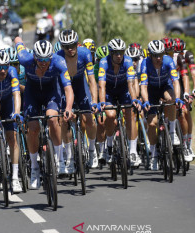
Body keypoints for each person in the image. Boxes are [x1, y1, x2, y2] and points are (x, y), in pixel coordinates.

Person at [15, 37, 74, 188]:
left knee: (53, 118)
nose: (43, 63)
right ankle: (34, 168)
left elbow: (68, 89)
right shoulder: (24, 59)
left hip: (51, 93)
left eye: (46, 59)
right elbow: (18, 42)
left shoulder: (59, 62)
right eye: (40, 59)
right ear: (34, 57)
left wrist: (68, 108)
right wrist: (18, 39)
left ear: (51, 57)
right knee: (33, 128)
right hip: (32, 94)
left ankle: (60, 159)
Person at [56, 29, 99, 171]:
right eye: (66, 46)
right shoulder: (58, 57)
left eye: (73, 45)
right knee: (64, 120)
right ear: (62, 47)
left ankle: (92, 151)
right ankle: (69, 156)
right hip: (65, 88)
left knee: (89, 118)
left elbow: (92, 80)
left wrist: (94, 101)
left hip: (81, 86)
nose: (70, 49)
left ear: (77, 44)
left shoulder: (85, 54)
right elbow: (56, 83)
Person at [98, 39, 142, 167]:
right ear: (111, 53)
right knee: (111, 116)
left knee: (130, 116)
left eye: (121, 52)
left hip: (124, 91)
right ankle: (110, 146)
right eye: (116, 53)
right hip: (109, 93)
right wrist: (102, 103)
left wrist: (134, 99)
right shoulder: (103, 62)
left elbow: (131, 83)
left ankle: (133, 151)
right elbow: (101, 85)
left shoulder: (128, 61)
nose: (119, 56)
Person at [140, 40, 183, 170]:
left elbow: (175, 82)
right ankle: (153, 154)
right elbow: (143, 85)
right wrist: (146, 101)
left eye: (160, 54)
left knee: (171, 100)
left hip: (165, 86)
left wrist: (177, 98)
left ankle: (171, 132)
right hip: (151, 91)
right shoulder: (145, 63)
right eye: (155, 55)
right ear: (150, 55)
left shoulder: (168, 61)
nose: (158, 58)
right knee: (152, 123)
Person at [0, 50, 22, 192]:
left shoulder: (12, 73)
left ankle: (15, 178)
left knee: (12, 138)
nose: (3, 70)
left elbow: (16, 94)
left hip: (8, 105)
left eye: (5, 66)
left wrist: (16, 113)